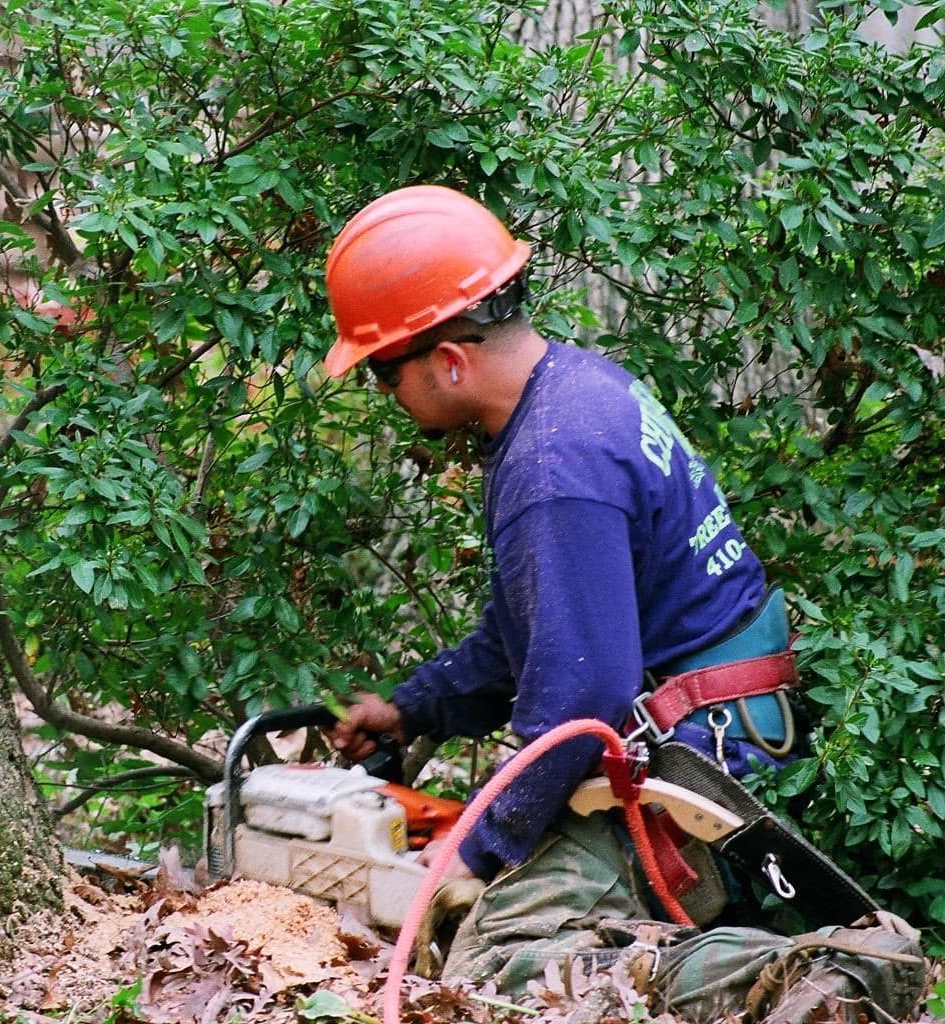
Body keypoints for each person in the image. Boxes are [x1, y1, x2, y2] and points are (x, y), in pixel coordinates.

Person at [320, 185, 924, 1023]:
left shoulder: (552, 466)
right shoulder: (576, 390)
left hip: (697, 765)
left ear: (449, 360)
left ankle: (818, 978)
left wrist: (480, 852)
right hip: (723, 724)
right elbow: (535, 628)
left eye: (387, 374)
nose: (388, 397)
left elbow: (581, 700)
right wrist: (413, 708)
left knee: (497, 961)